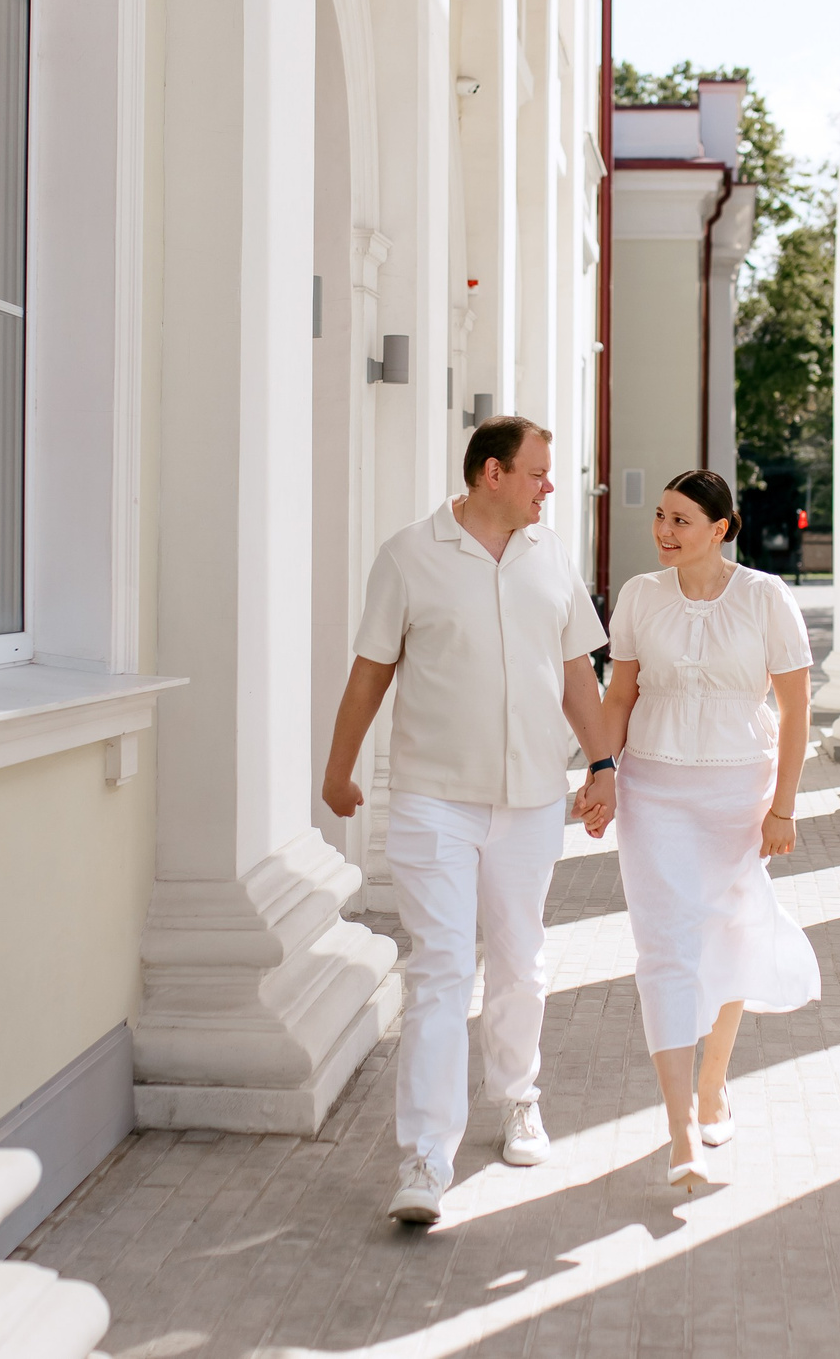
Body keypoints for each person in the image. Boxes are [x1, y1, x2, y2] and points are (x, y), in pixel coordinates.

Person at [321, 416, 613, 1225]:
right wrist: (338, 768)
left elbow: (577, 678)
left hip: (529, 803)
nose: (550, 485)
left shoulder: (550, 555)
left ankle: (520, 1098)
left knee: (520, 962)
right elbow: (369, 675)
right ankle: (423, 1156)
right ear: (492, 473)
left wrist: (603, 765)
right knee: (441, 968)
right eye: (537, 473)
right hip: (432, 800)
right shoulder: (409, 555)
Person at [592, 468, 821, 1186]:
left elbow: (795, 707)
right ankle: (678, 1127)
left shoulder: (764, 597)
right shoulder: (638, 595)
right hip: (653, 787)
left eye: (682, 520)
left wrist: (784, 806)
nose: (664, 530)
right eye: (660, 515)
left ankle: (713, 1083)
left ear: (721, 529)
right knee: (663, 947)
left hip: (737, 791)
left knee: (728, 932)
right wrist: (601, 771)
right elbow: (620, 691)